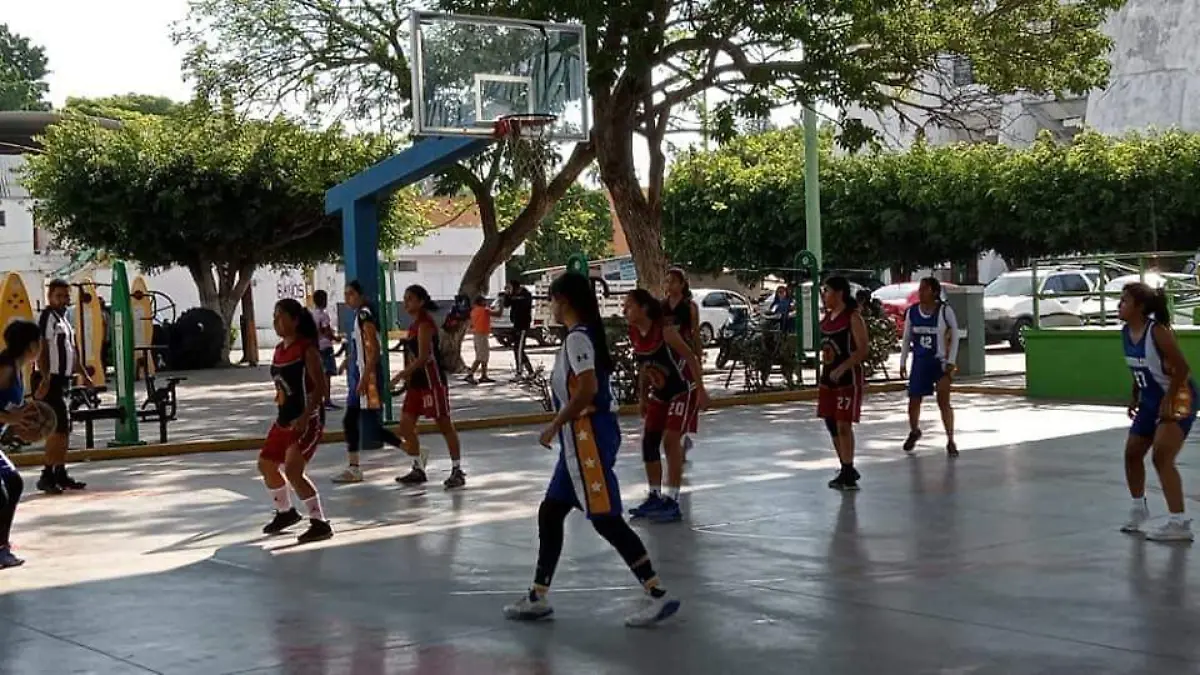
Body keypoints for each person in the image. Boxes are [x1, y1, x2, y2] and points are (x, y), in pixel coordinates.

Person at [502, 272, 681, 626]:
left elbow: (586, 389)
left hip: (586, 440)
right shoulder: (580, 338)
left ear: (564, 301)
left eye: (551, 300)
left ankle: (658, 593)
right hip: (578, 441)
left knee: (606, 519)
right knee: (551, 512)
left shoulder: (578, 340)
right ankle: (538, 595)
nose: (550, 307)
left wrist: (556, 423)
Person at [1118, 282, 1195, 542]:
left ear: (1140, 307)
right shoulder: (1126, 332)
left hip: (1179, 397)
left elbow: (1183, 369)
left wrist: (1169, 400)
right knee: (1132, 454)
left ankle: (1179, 523)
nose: (1119, 304)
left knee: (1162, 456)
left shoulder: (1158, 332)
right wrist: (1135, 394)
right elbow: (1139, 367)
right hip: (1150, 400)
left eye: (1125, 301)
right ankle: (1139, 510)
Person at [624, 289, 709, 523]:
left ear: (643, 308)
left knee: (670, 440)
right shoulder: (635, 333)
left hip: (683, 389)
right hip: (661, 392)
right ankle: (654, 495)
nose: (624, 310)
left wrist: (701, 390)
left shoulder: (665, 332)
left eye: (629, 305)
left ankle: (672, 500)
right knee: (649, 441)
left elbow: (690, 357)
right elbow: (644, 367)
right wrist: (642, 396)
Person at [259, 299, 333, 544]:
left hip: (306, 419)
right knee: (266, 464)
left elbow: (320, 386)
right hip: (284, 418)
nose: (276, 321)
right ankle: (286, 512)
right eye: (274, 316)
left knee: (292, 470)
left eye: (281, 316)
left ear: (295, 320)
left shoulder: (306, 349)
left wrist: (305, 415)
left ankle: (320, 522)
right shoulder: (279, 349)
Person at [390, 285, 466, 489]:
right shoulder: (414, 325)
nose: (406, 303)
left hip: (432, 382)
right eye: (405, 299)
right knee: (406, 425)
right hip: (416, 383)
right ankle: (418, 467)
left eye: (410, 299)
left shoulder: (425, 325)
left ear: (421, 302)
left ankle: (457, 469)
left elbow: (423, 357)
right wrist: (407, 377)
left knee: (444, 424)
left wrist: (399, 375)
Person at [331, 281, 406, 484]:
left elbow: (374, 350)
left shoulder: (365, 315)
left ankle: (355, 468)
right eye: (345, 294)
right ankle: (411, 451)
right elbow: (360, 347)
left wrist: (364, 378)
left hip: (368, 378)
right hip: (360, 375)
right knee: (360, 424)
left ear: (360, 295)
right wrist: (349, 360)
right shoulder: (359, 316)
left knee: (360, 424)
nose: (347, 298)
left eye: (351, 294)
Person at [34, 278, 91, 494]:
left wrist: (83, 374)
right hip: (53, 380)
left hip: (65, 380)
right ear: (50, 297)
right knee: (57, 429)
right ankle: (47, 475)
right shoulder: (47, 317)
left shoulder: (65, 319)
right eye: (59, 296)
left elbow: (71, 350)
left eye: (66, 296)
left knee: (64, 429)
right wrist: (46, 378)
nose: (64, 300)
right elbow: (42, 349)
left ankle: (60, 471)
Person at [819, 276, 870, 491]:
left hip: (847, 378)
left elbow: (863, 349)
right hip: (828, 376)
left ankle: (848, 468)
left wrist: (843, 367)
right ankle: (845, 467)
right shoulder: (827, 318)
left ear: (839, 293)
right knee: (830, 422)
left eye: (827, 291)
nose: (823, 295)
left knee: (843, 423)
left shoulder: (853, 317)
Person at [898, 277, 960, 457]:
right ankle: (914, 430)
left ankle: (950, 439)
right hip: (919, 362)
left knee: (943, 400)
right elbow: (906, 338)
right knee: (914, 400)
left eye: (924, 289)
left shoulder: (944, 311)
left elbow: (955, 335)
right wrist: (902, 361)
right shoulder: (912, 312)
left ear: (934, 291)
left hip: (939, 363)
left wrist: (951, 361)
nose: (920, 292)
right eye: (920, 288)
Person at [0, 320, 43, 569]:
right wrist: (11, 418)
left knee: (13, 483)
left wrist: (21, 421)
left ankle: (3, 546)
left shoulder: (17, 368)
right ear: (31, 345)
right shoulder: (5, 369)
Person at [662, 268, 702, 458]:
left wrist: (698, 357)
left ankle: (683, 437)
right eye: (667, 281)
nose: (669, 285)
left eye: (673, 281)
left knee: (687, 396)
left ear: (682, 284)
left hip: (684, 357)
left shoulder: (690, 307)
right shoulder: (661, 307)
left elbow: (694, 334)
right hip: (668, 358)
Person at [310, 290, 340, 410]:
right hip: (326, 347)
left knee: (317, 375)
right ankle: (327, 400)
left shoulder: (312, 314)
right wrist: (336, 338)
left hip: (316, 347)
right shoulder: (324, 315)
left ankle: (317, 400)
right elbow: (326, 331)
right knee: (327, 375)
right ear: (323, 300)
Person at [500, 280, 534, 380]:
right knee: (517, 350)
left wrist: (512, 297)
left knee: (519, 350)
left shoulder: (525, 294)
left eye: (510, 287)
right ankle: (530, 371)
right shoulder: (512, 295)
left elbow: (523, 303)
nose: (509, 290)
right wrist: (507, 295)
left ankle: (520, 372)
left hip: (523, 326)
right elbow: (506, 304)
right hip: (516, 325)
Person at [463, 296, 494, 385]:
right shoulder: (485, 310)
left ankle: (484, 375)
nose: (486, 302)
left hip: (477, 334)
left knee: (484, 356)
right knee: (481, 357)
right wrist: (502, 303)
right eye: (484, 301)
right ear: (481, 302)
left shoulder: (474, 310)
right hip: (482, 335)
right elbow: (498, 314)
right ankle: (470, 374)